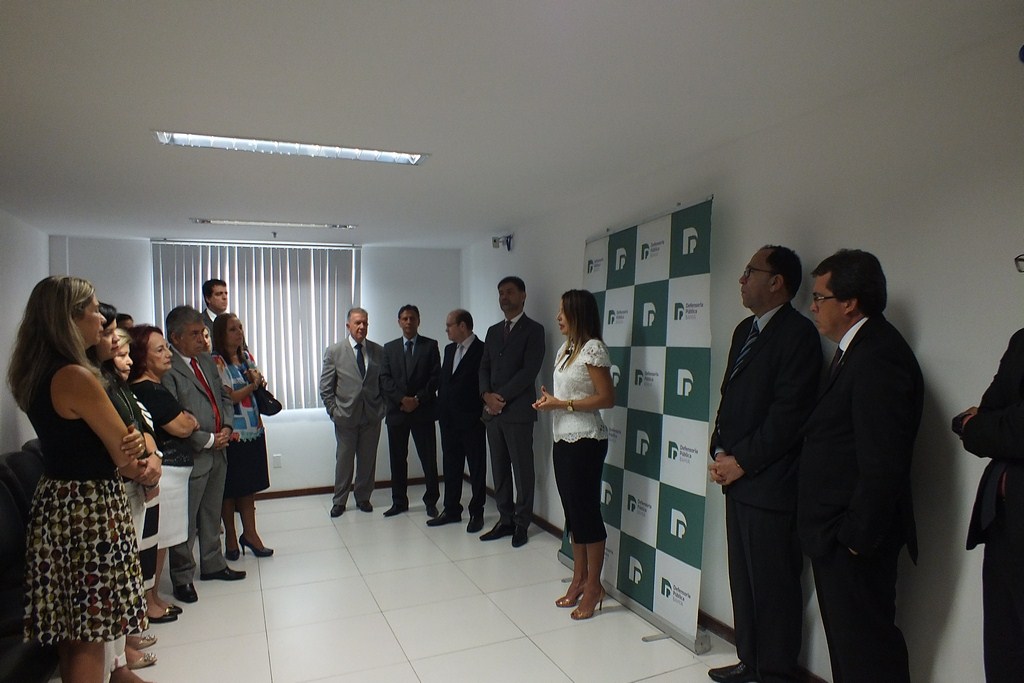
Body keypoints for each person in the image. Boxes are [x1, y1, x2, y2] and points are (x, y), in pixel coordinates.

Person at [7, 276, 153, 682]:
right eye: (92, 310)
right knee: (91, 631)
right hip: (91, 510)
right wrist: (136, 446)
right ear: (70, 318)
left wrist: (129, 441)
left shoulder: (34, 372)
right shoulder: (76, 376)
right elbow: (127, 459)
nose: (100, 319)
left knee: (72, 630)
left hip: (57, 502)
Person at [799, 249, 923, 682]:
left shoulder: (879, 355)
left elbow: (884, 459)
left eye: (820, 298)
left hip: (854, 540)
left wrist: (854, 537)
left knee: (868, 654)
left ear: (850, 302)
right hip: (835, 534)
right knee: (850, 654)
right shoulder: (855, 351)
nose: (812, 307)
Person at [707, 246, 821, 683]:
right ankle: (750, 661)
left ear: (776, 282)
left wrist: (743, 462)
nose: (741, 279)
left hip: (771, 482)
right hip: (736, 478)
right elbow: (730, 397)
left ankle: (774, 672)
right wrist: (720, 450)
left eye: (750, 271)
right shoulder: (745, 330)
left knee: (774, 586)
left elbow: (788, 416)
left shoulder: (798, 335)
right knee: (744, 579)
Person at [954, 251, 1024, 682]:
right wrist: (988, 425)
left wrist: (989, 425)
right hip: (1003, 522)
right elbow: (983, 419)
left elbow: (1008, 427)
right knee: (1004, 653)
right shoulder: (1022, 340)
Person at [533, 290, 615, 620]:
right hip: (562, 438)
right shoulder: (565, 349)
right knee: (572, 512)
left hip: (586, 440)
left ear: (578, 314)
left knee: (586, 513)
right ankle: (579, 578)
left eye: (563, 312)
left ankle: (594, 585)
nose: (558, 317)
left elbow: (606, 398)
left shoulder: (593, 348)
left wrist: (562, 404)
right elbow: (568, 393)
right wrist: (550, 402)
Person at [91, 308, 164, 677]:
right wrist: (143, 467)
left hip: (133, 482)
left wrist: (152, 455)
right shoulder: (95, 382)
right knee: (114, 585)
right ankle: (118, 660)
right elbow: (120, 444)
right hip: (114, 488)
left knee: (126, 576)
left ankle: (122, 651)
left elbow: (140, 429)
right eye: (113, 339)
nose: (126, 356)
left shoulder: (117, 385)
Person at [161, 306, 244, 604]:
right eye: (195, 334)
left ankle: (213, 563)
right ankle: (182, 577)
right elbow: (170, 417)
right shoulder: (167, 369)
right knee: (187, 520)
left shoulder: (207, 360)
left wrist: (227, 427)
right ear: (176, 337)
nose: (202, 339)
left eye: (203, 333)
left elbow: (224, 396)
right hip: (192, 453)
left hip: (220, 448)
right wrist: (207, 439)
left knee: (212, 511)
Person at [129, 325, 200, 612]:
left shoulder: (156, 387)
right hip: (165, 475)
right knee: (156, 542)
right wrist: (188, 420)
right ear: (142, 358)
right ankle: (148, 601)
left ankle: (154, 597)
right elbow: (182, 426)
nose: (168, 354)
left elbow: (184, 420)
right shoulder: (148, 390)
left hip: (173, 474)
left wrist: (187, 419)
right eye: (160, 350)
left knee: (164, 540)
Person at [479, 276, 545, 547]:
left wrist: (500, 398)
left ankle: (521, 523)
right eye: (500, 293)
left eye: (509, 292)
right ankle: (505, 519)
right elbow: (484, 366)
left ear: (523, 295)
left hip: (517, 412)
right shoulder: (493, 331)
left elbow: (529, 371)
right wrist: (486, 395)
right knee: (499, 469)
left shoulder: (534, 330)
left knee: (522, 470)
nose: (504, 297)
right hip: (492, 413)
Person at [211, 313, 273, 558]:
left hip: (253, 429)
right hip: (232, 432)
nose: (239, 333)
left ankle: (250, 534)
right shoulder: (217, 361)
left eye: (240, 328)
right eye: (232, 329)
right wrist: (252, 386)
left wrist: (259, 383)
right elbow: (230, 396)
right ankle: (231, 538)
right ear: (221, 334)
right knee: (230, 489)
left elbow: (257, 387)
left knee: (249, 487)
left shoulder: (247, 357)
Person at [319, 307, 386, 517]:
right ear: (348, 325)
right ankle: (339, 500)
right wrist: (334, 411)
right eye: (358, 323)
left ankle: (363, 497)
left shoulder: (378, 351)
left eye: (365, 323)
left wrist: (382, 408)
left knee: (367, 460)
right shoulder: (334, 351)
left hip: (371, 416)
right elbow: (325, 387)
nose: (362, 326)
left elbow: (384, 383)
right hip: (345, 416)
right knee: (344, 460)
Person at [428, 309, 488, 532]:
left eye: (449, 325)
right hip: (448, 420)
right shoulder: (449, 349)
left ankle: (477, 513)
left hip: (472, 419)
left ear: (462, 326)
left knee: (476, 468)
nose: (446, 330)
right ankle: (451, 509)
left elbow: (484, 382)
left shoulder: (482, 350)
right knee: (451, 466)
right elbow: (446, 381)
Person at [379, 305, 441, 517]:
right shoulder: (389, 348)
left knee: (428, 459)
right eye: (404, 318)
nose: (408, 322)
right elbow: (385, 379)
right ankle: (399, 502)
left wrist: (417, 399)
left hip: (422, 411)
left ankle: (431, 501)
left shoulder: (430, 346)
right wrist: (401, 399)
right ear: (399, 322)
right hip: (397, 412)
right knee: (397, 460)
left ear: (418, 320)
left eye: (412, 318)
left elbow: (435, 377)